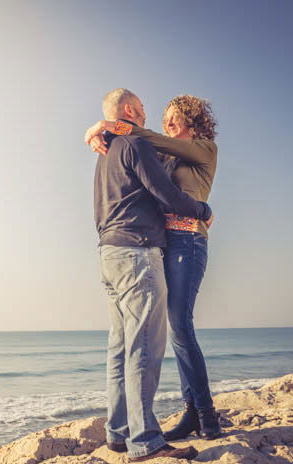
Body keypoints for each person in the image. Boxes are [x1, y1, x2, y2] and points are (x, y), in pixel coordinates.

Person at [86, 94, 222, 441]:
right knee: (171, 329)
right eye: (163, 118)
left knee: (179, 325)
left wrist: (107, 125)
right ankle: (191, 411)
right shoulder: (163, 153)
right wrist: (101, 131)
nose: (167, 123)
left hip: (188, 242)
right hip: (161, 245)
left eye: (174, 116)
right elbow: (139, 166)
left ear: (192, 118)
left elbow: (144, 139)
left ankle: (206, 415)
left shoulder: (204, 149)